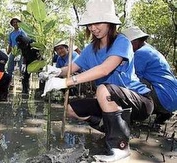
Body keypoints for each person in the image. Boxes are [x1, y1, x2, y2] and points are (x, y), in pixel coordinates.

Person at [40, 0, 154, 162]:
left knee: (103, 89)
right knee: (71, 109)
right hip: (109, 102)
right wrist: (56, 71)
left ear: (110, 22)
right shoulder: (90, 49)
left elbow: (105, 69)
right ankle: (111, 129)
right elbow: (71, 68)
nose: (93, 28)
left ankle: (120, 148)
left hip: (139, 100)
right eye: (90, 24)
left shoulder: (121, 42)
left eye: (98, 22)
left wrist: (67, 82)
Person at [122, 26, 177, 124]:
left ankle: (131, 116)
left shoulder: (140, 54)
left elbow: (130, 79)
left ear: (134, 42)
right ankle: (164, 113)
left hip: (163, 98)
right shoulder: (151, 50)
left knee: (126, 82)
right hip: (172, 99)